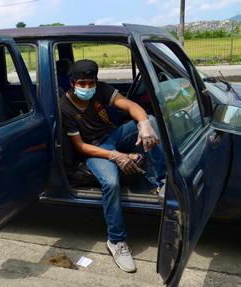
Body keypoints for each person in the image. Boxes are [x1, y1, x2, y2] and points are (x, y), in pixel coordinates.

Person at [60, 59, 166, 273]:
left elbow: (130, 106)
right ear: (72, 83)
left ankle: (160, 181)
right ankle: (116, 241)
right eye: (82, 84)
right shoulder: (65, 107)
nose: (87, 88)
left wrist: (143, 124)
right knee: (110, 182)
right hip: (95, 148)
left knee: (151, 122)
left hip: (114, 134)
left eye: (91, 83)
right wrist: (115, 156)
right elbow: (80, 146)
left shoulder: (101, 90)